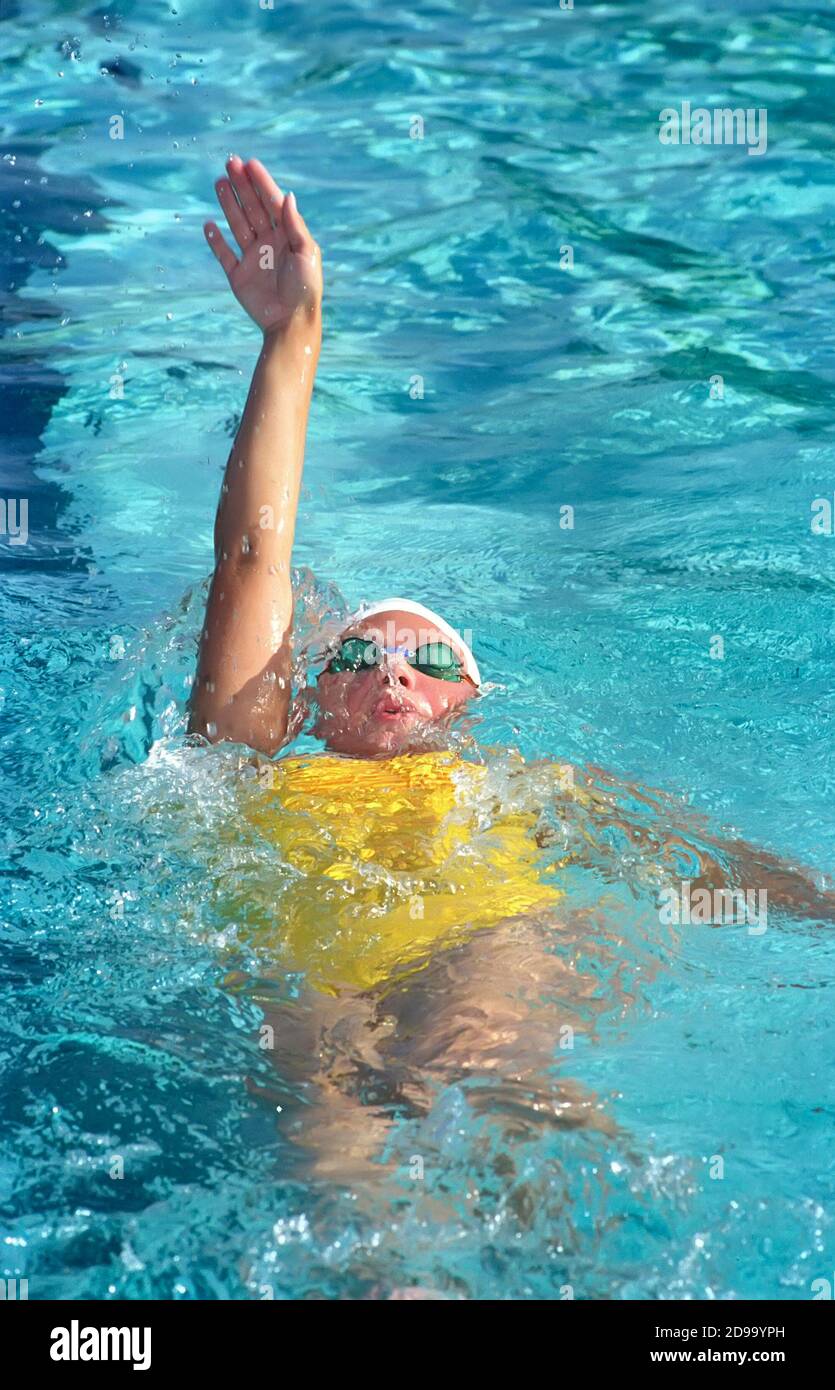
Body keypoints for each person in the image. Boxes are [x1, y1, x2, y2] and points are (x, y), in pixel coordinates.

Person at [188, 156, 834, 1178]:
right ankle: (382, 1274)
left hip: (476, 945)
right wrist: (291, 336)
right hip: (316, 968)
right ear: (308, 698)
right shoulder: (248, 769)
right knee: (323, 1108)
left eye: (426, 656)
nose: (391, 671)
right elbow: (252, 558)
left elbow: (711, 867)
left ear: (471, 703)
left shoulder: (519, 787)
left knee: (490, 1053)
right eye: (358, 653)